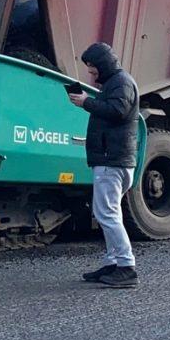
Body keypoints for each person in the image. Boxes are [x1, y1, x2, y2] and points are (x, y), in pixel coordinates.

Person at [67, 42, 139, 289]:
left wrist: (86, 102)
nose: (91, 74)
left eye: (93, 70)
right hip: (115, 160)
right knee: (109, 213)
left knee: (106, 214)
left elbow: (118, 111)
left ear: (104, 65)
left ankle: (126, 266)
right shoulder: (116, 82)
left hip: (112, 160)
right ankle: (112, 262)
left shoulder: (121, 83)